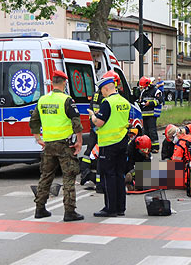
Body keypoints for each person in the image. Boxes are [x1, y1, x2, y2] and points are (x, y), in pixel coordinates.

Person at [29, 70, 84, 222]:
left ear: (52, 83)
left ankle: (40, 208)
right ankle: (69, 211)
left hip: (48, 145)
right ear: (64, 83)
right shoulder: (67, 100)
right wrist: (79, 141)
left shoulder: (42, 100)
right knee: (69, 176)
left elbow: (33, 121)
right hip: (64, 145)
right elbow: (76, 122)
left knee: (45, 176)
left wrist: (38, 139)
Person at [88, 74, 131, 217]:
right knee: (120, 175)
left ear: (106, 89)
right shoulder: (124, 101)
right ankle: (120, 208)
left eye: (102, 91)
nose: (101, 93)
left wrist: (92, 116)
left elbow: (99, 122)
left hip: (108, 144)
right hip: (122, 142)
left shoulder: (107, 102)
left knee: (108, 176)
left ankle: (110, 208)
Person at [80, 70, 120, 188]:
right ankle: (100, 181)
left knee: (90, 151)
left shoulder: (97, 94)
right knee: (101, 155)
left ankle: (86, 173)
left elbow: (94, 111)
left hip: (96, 127)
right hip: (105, 131)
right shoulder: (109, 97)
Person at [138, 76, 162, 153]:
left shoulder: (155, 91)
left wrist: (150, 103)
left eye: (143, 86)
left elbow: (159, 100)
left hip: (152, 115)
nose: (142, 88)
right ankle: (148, 147)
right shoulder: (143, 92)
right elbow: (141, 100)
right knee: (146, 132)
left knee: (152, 131)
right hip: (144, 115)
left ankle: (156, 147)